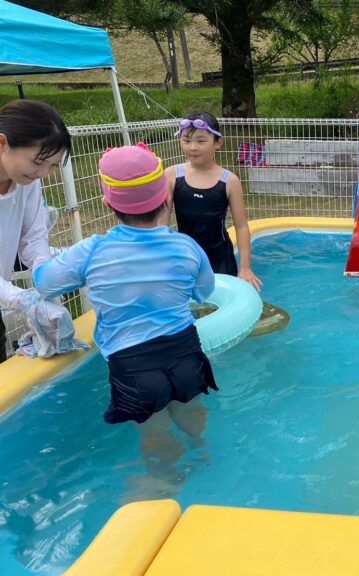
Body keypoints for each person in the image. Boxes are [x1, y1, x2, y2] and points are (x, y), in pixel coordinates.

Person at [33, 144, 219, 469]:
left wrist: (37, 249)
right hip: (185, 352)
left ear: (107, 202)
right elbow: (205, 292)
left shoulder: (93, 251)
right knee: (192, 412)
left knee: (155, 433)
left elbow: (44, 283)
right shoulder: (185, 246)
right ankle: (204, 454)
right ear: (165, 199)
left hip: (133, 365)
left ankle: (164, 479)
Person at [0, 99, 71, 363]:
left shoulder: (27, 181)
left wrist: (45, 277)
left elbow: (33, 238)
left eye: (53, 165)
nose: (44, 173)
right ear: (2, 143)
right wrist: (21, 299)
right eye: (38, 162)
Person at [167, 111, 261, 290]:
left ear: (218, 143)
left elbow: (241, 226)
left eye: (201, 141)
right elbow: (162, 225)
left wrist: (245, 268)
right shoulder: (172, 175)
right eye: (186, 140)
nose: (193, 147)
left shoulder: (229, 181)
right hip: (186, 257)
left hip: (221, 258)